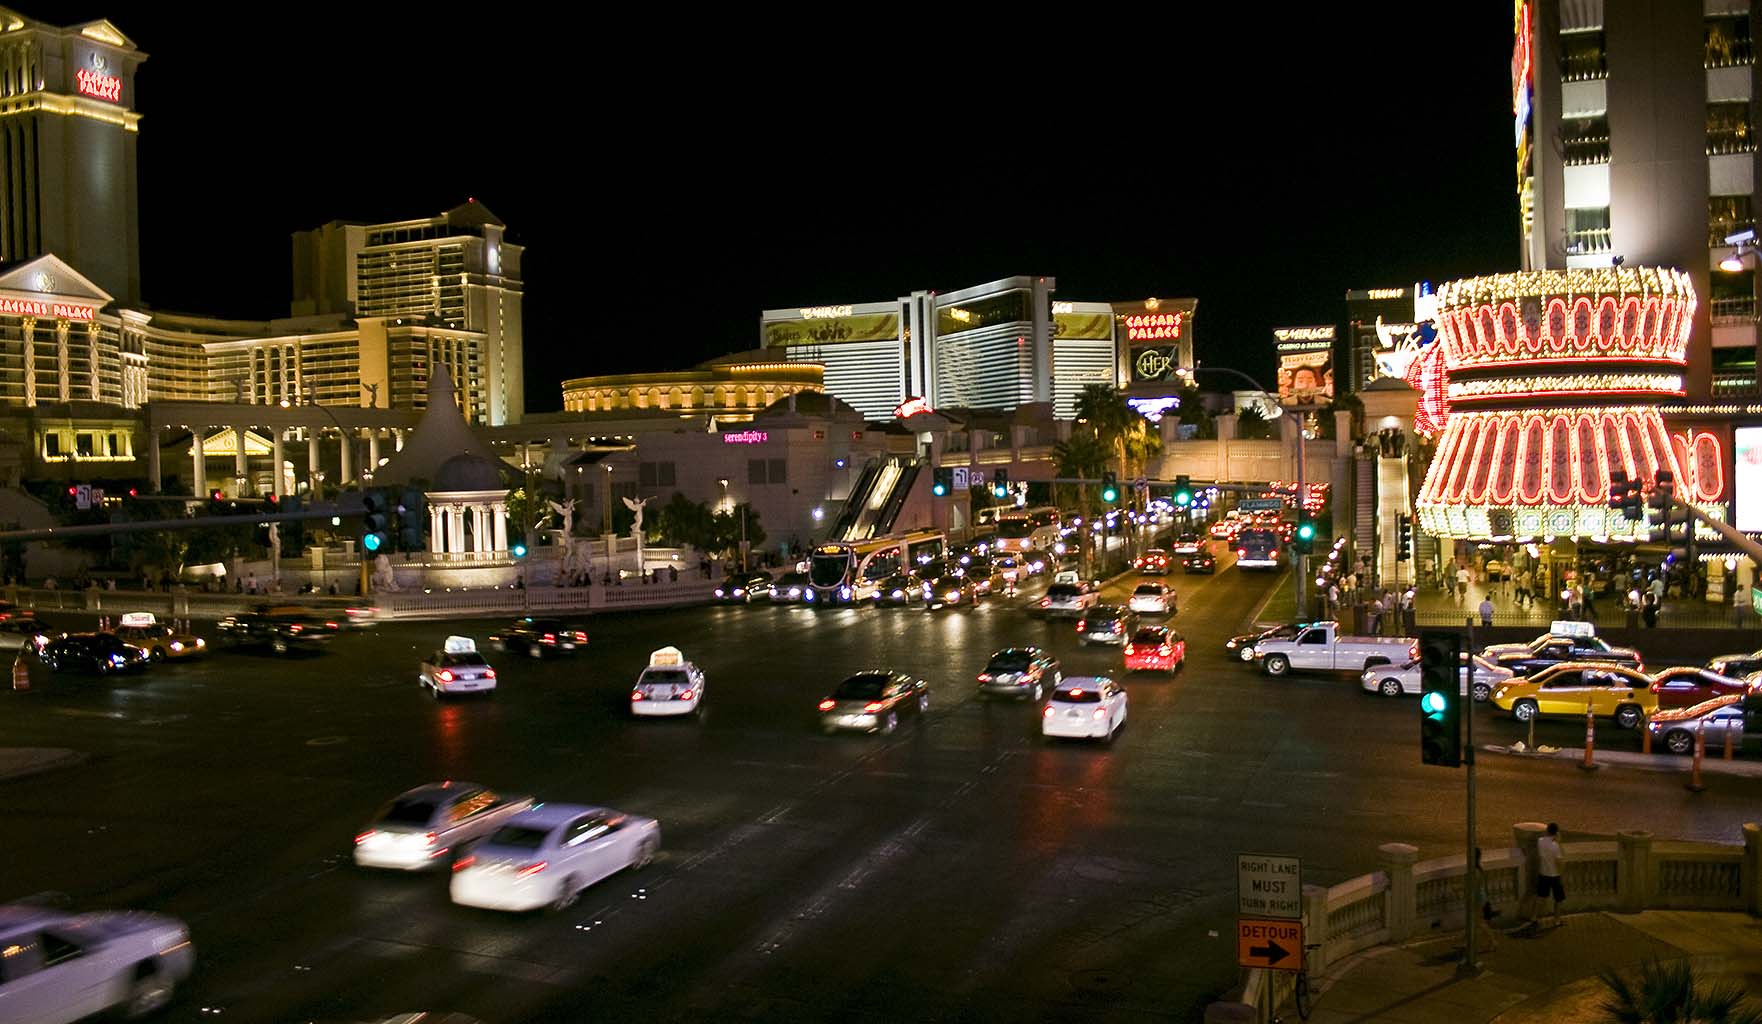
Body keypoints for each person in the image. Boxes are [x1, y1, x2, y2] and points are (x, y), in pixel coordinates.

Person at [1534, 822, 1565, 928]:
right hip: (1555, 875)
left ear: (1547, 830)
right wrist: (1559, 842)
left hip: (1543, 873)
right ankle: (1557, 920)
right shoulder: (1555, 846)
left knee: (1540, 897)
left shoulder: (1540, 841)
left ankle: (1534, 917)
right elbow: (1559, 861)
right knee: (1558, 899)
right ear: (1556, 832)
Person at [1474, 847, 1499, 953]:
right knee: (1475, 921)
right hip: (1481, 897)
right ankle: (1466, 941)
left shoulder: (1475, 870)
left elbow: (1475, 887)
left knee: (1479, 922)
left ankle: (1493, 941)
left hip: (1478, 899)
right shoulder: (1479, 867)